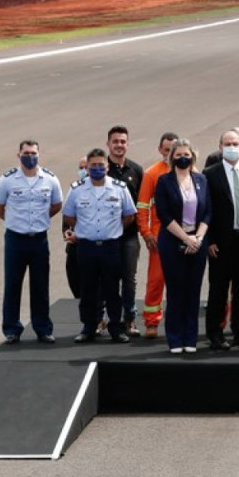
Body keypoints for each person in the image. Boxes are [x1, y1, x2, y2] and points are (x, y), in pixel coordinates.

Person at [62, 148, 137, 344]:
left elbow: (129, 215)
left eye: (101, 165)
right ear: (87, 167)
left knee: (112, 289)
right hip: (86, 247)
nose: (97, 168)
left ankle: (115, 328)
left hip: (111, 246)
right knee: (87, 289)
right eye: (93, 165)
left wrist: (112, 230)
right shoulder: (76, 189)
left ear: (107, 166)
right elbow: (69, 215)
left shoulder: (119, 188)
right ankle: (89, 326)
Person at [0, 139, 63, 344]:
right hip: (16, 239)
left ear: (39, 155)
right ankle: (12, 329)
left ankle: (42, 328)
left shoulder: (49, 179)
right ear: (18, 155)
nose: (30, 157)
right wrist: (14, 220)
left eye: (33, 153)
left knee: (40, 285)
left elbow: (56, 204)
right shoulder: (7, 180)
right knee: (13, 284)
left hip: (39, 239)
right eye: (26, 153)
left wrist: (39, 220)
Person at [203, 129, 239, 350]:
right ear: (220, 147)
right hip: (220, 242)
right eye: (227, 143)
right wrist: (208, 240)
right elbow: (204, 209)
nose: (231, 147)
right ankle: (215, 333)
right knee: (218, 289)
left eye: (235, 143)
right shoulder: (210, 174)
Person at [154, 139, 210, 354]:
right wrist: (186, 239)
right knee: (176, 291)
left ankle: (190, 337)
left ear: (192, 157)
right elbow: (164, 214)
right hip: (172, 241)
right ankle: (175, 338)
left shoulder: (201, 180)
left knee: (193, 291)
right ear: (172, 158)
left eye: (186, 154)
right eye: (178, 155)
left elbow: (208, 212)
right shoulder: (164, 181)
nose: (182, 158)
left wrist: (198, 238)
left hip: (198, 242)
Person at [135, 131, 178, 338]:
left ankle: (178, 321)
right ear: (160, 150)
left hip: (183, 236)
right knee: (156, 281)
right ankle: (151, 322)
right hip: (159, 237)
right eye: (166, 150)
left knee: (180, 282)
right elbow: (142, 206)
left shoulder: (190, 171)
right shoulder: (152, 173)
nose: (169, 154)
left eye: (173, 150)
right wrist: (146, 233)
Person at [106, 125, 144, 336]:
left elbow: (142, 204)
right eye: (115, 141)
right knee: (107, 279)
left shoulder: (136, 170)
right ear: (108, 144)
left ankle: (129, 319)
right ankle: (105, 319)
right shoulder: (102, 169)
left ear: (127, 144)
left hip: (129, 236)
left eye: (122, 142)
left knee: (129, 278)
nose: (119, 145)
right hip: (107, 237)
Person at [66, 155, 87, 300]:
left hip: (97, 248)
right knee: (77, 289)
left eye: (87, 167)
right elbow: (66, 216)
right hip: (75, 248)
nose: (84, 171)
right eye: (81, 168)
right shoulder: (73, 190)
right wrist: (67, 232)